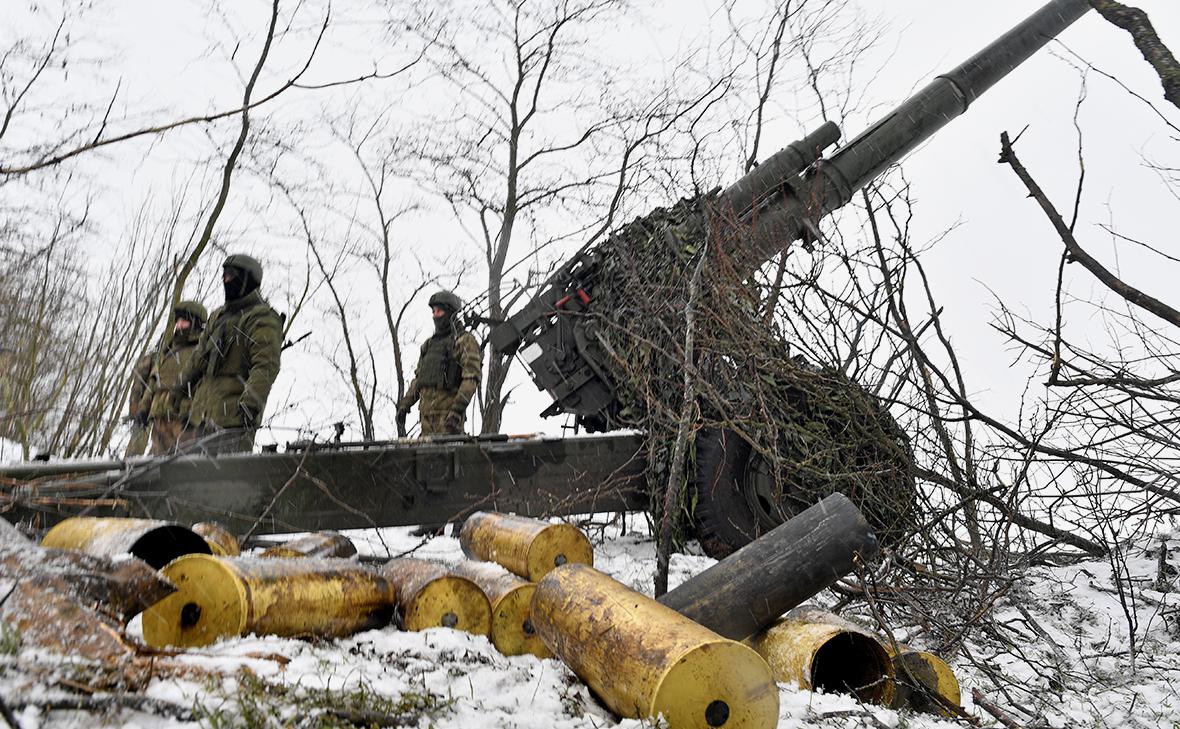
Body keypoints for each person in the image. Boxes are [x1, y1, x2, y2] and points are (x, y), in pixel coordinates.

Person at [177, 254, 283, 454]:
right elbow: (199, 358)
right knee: (189, 480)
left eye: (231, 276)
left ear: (247, 279)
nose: (226, 281)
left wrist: (249, 405)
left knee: (225, 482)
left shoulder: (261, 317)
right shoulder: (218, 316)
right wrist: (180, 389)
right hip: (201, 417)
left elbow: (265, 366)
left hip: (233, 421)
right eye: (224, 276)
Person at [397, 291, 482, 436]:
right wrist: (405, 405)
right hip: (426, 421)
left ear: (450, 312)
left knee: (447, 456)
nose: (435, 315)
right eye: (433, 311)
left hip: (449, 421)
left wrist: (457, 410)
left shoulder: (464, 341)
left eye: (439, 311)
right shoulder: (429, 345)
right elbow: (419, 380)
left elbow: (471, 378)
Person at [137, 300, 207, 455]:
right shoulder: (167, 351)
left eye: (184, 322)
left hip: (184, 420)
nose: (179, 325)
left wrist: (194, 414)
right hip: (159, 418)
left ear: (195, 324)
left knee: (184, 467)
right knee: (155, 467)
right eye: (178, 321)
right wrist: (143, 409)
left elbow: (205, 386)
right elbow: (154, 382)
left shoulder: (201, 351)